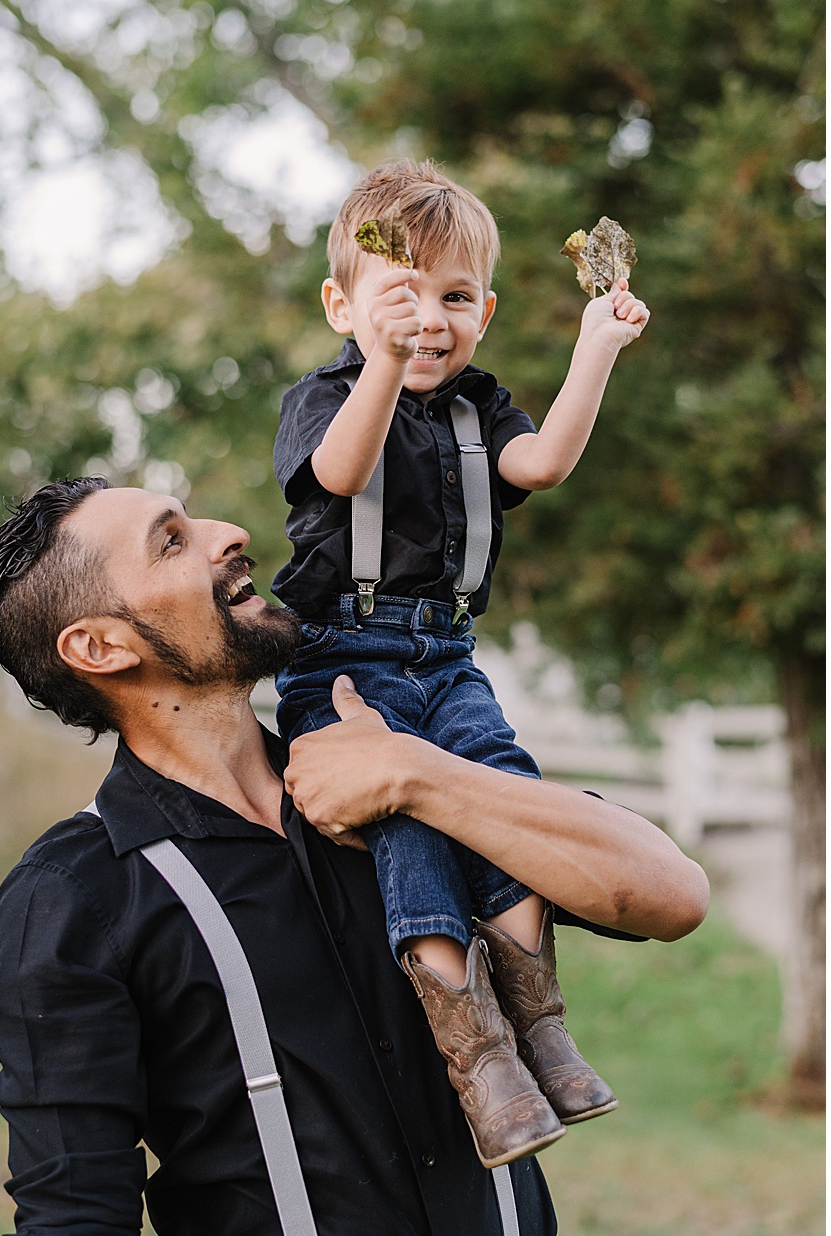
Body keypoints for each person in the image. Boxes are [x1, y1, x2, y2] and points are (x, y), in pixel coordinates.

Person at [0, 479, 708, 1236]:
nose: (227, 533)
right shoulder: (73, 896)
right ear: (100, 646)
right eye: (171, 541)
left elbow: (670, 896)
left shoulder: (404, 777)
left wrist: (421, 776)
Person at [268, 161, 652, 1166]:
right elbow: (341, 472)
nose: (430, 320)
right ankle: (477, 1054)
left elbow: (545, 464)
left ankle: (541, 1022)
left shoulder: (483, 412)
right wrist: (387, 360)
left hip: (448, 652)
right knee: (408, 825)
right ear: (341, 306)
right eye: (403, 296)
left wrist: (596, 346)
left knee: (499, 790)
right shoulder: (326, 398)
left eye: (454, 298)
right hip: (344, 657)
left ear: (484, 310)